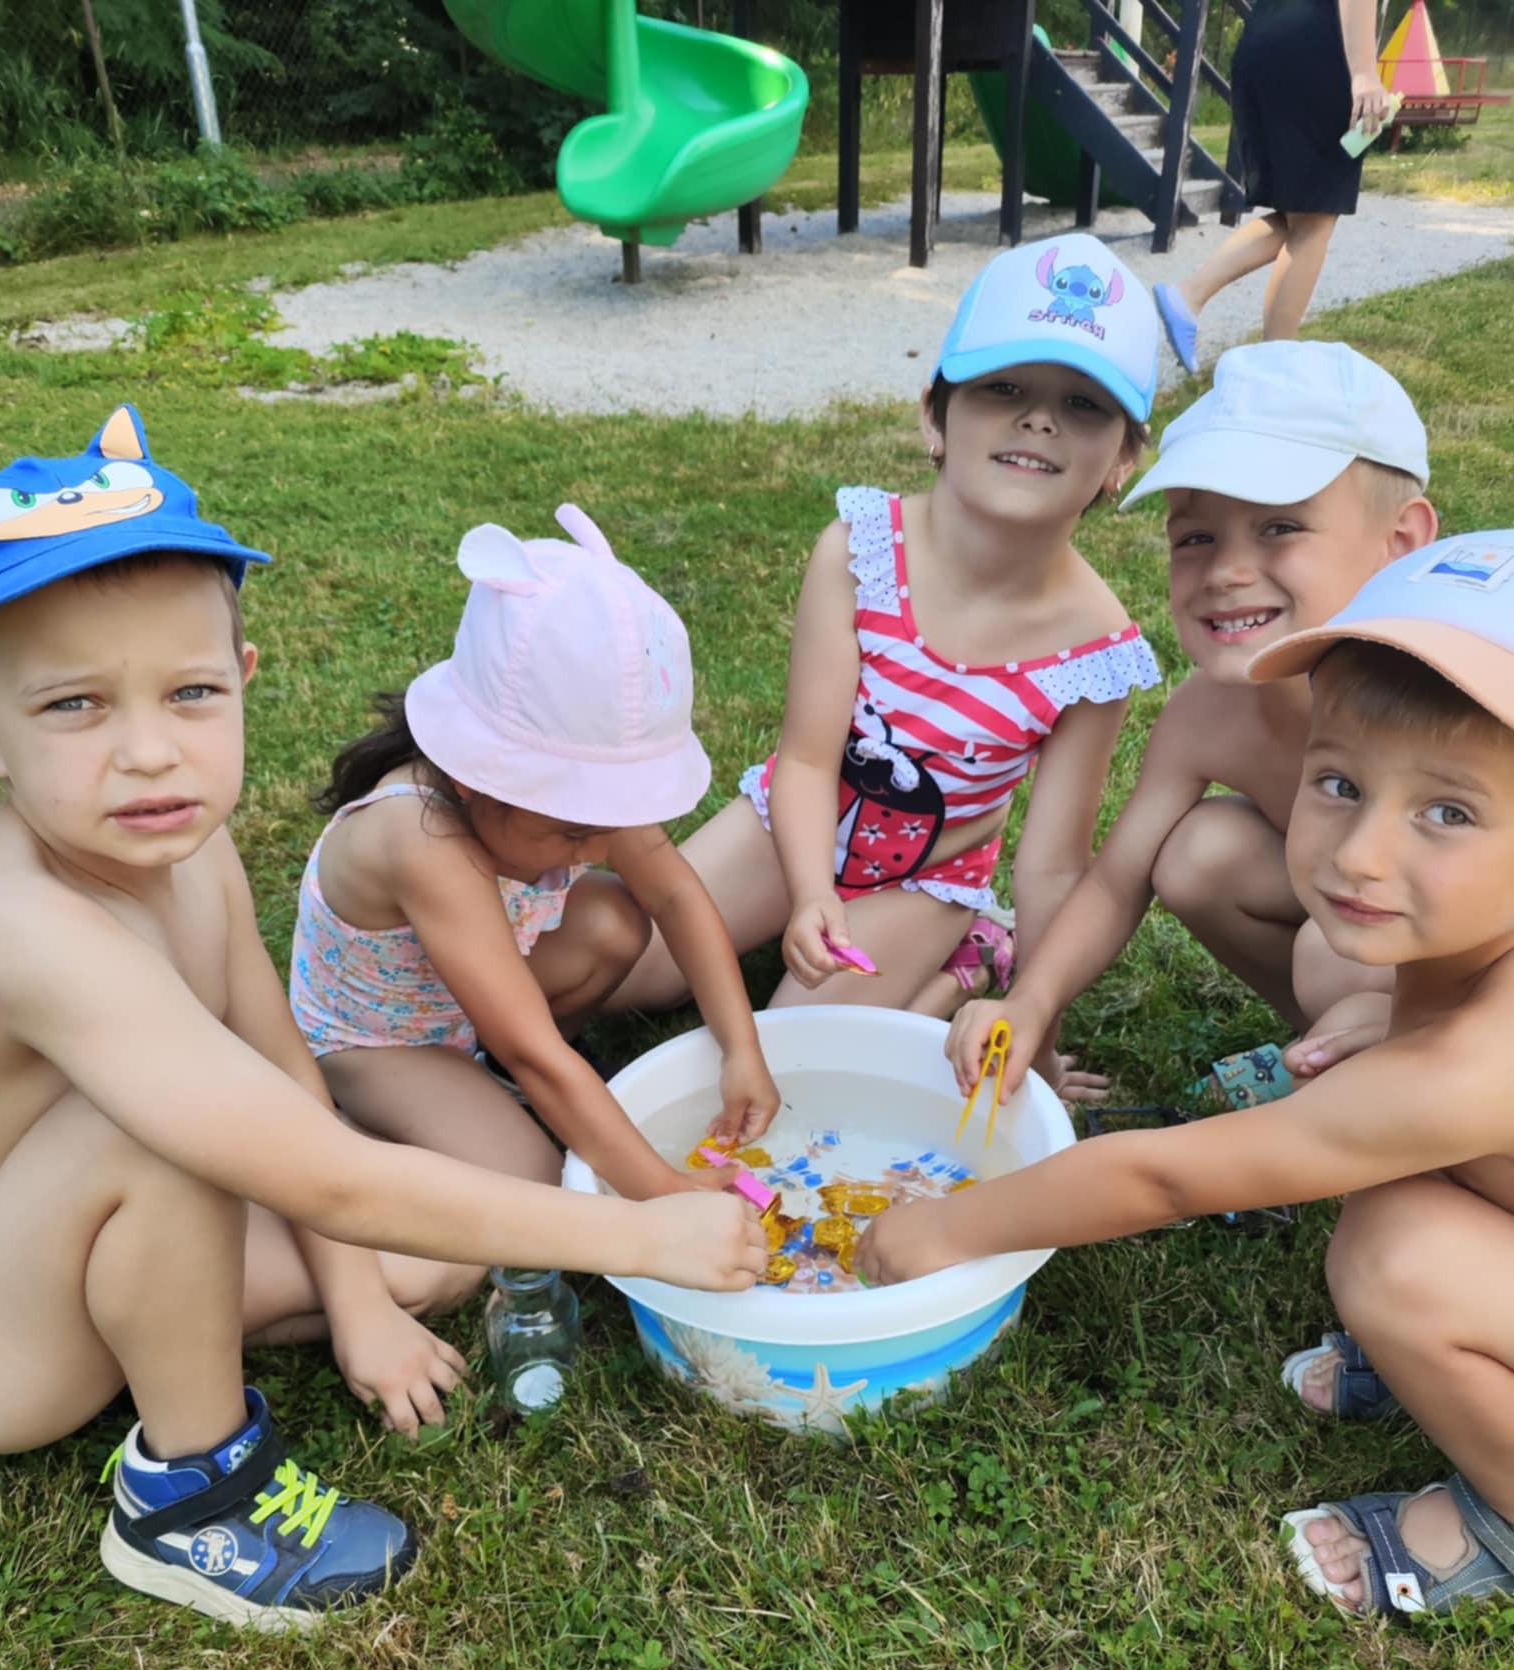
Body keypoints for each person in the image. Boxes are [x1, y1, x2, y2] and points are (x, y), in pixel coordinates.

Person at [0, 409, 767, 1629]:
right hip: (4, 1337)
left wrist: (359, 1306)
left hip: (86, 1239)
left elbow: (285, 1069)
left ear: (243, 678)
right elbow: (320, 1167)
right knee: (159, 1132)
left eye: (189, 693)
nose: (148, 753)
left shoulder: (188, 850)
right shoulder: (27, 921)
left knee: (441, 1254)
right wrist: (643, 1234)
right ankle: (191, 1492)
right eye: (75, 705)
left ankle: (173, 1323)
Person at [861, 532, 1514, 1617]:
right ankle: (1446, 1366)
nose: (1358, 853)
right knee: (1377, 1120)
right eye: (1339, 783)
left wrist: (943, 1228)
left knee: (1396, 1260)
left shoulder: (1479, 1062)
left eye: (1446, 812)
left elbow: (1166, 1177)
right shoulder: (1460, 963)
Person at [612, 235, 1163, 1094]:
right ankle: (908, 956)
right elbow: (806, 759)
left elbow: (1051, 865)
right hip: (790, 823)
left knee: (797, 1052)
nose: (1038, 420)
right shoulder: (861, 549)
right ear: (933, 417)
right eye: (1002, 388)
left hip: (928, 878)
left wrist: (1036, 1033)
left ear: (1122, 460)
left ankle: (970, 954)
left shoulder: (1095, 652)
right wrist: (809, 892)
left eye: (1084, 405)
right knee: (631, 969)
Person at [945, 341, 1437, 1109]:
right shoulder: (1210, 711)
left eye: (1279, 527)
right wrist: (1029, 1004)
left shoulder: (1452, 694)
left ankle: (1411, 1052)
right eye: (1196, 537)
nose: (1225, 572)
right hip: (1378, 922)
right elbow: (1117, 880)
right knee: (1196, 855)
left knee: (1329, 955)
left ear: (1399, 543)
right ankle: (1331, 1044)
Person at [291, 506, 779, 1200]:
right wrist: (664, 1198)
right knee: (530, 1179)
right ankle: (368, 1125)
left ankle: (491, 1082)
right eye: (575, 834)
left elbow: (674, 894)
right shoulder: (420, 838)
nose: (600, 847)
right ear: (473, 775)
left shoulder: (570, 799)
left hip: (476, 998)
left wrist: (741, 1049)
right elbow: (533, 1050)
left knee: (615, 921)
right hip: (383, 1041)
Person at [1153, 0, 1394, 371]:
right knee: (1314, 221)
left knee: (1299, 213)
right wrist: (1363, 72)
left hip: (1264, 45)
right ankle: (1275, 369)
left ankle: (1188, 297)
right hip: (1316, 56)